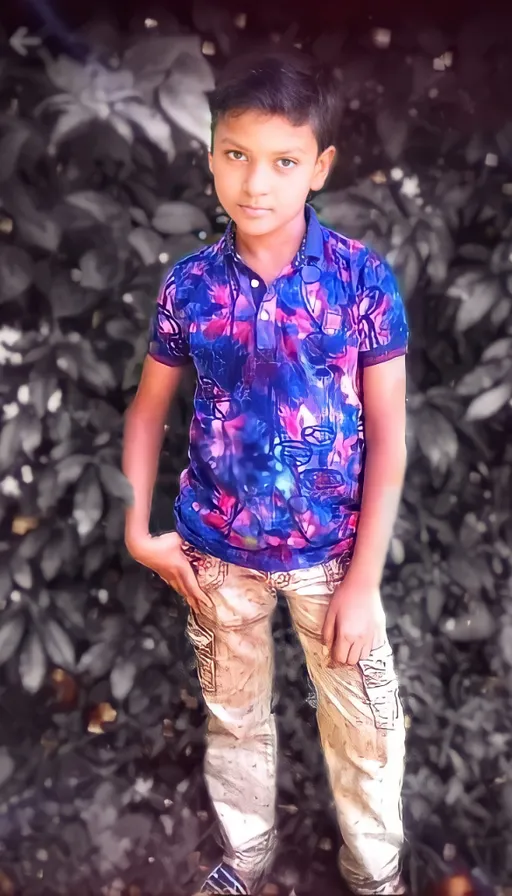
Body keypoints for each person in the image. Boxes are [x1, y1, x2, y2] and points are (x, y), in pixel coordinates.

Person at [123, 47, 409, 896]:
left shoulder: (360, 280)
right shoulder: (191, 288)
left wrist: (364, 582)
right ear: (210, 153)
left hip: (334, 561)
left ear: (320, 167)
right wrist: (141, 531)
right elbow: (147, 412)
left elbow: (390, 436)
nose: (256, 183)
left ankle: (377, 873)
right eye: (236, 155)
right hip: (218, 556)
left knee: (367, 727)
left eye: (284, 161)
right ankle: (245, 857)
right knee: (235, 719)